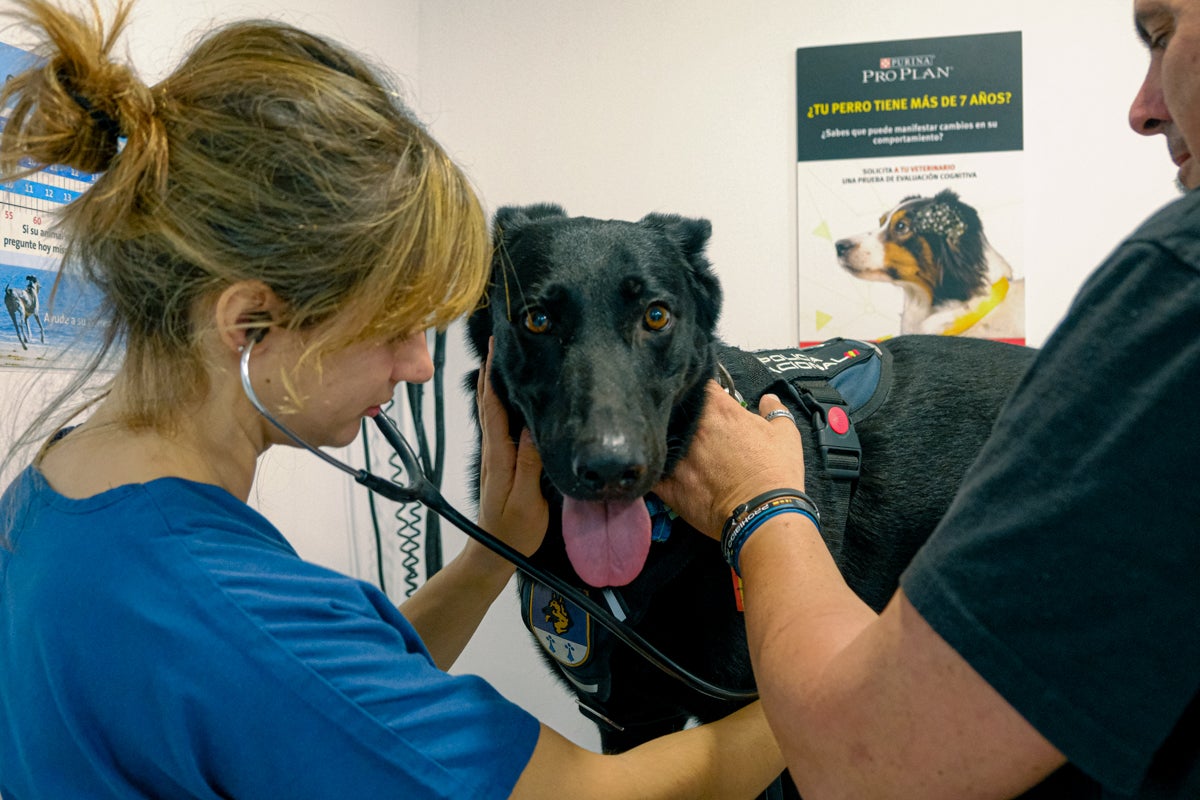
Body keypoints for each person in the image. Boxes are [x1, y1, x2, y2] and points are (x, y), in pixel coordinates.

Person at [0, 1, 785, 797]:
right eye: (393, 325)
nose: (417, 365)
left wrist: (490, 554)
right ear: (250, 323)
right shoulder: (230, 610)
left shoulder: (57, 490)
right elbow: (594, 794)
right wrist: (835, 641)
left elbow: (311, 711)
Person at [653, 1, 1200, 797]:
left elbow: (869, 762)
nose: (1142, 109)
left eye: (1162, 35)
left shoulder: (1178, 283)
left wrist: (759, 502)